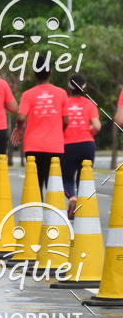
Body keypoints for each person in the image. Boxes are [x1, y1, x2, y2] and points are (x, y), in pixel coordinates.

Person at [10, 59, 68, 195]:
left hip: (33, 146)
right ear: (50, 73)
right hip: (55, 146)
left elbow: (21, 117)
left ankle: (36, 215)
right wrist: (59, 132)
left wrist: (19, 128)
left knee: (36, 185)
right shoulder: (62, 93)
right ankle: (53, 214)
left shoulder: (27, 94)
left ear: (35, 74)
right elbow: (66, 120)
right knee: (53, 186)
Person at [63, 74, 101, 218]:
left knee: (66, 178)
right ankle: (80, 204)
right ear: (84, 88)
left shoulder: (64, 103)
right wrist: (88, 133)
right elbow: (97, 125)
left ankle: (72, 197)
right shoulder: (90, 104)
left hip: (68, 145)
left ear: (69, 87)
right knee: (83, 176)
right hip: (87, 145)